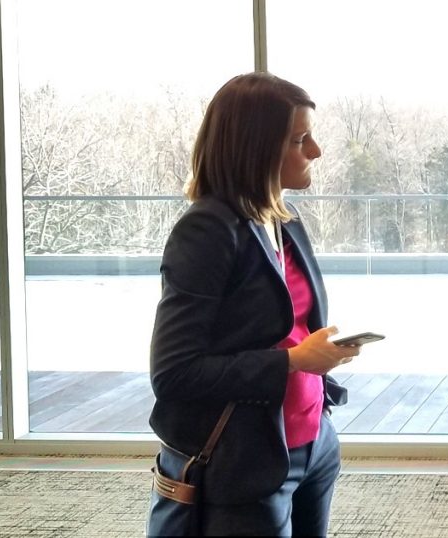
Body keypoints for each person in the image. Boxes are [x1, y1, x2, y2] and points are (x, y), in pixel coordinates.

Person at [146, 72, 360, 537]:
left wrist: (317, 359)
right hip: (244, 459)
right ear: (256, 148)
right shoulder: (205, 232)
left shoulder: (283, 217)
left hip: (311, 442)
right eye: (300, 140)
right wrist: (293, 361)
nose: (316, 152)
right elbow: (174, 374)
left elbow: (290, 324)